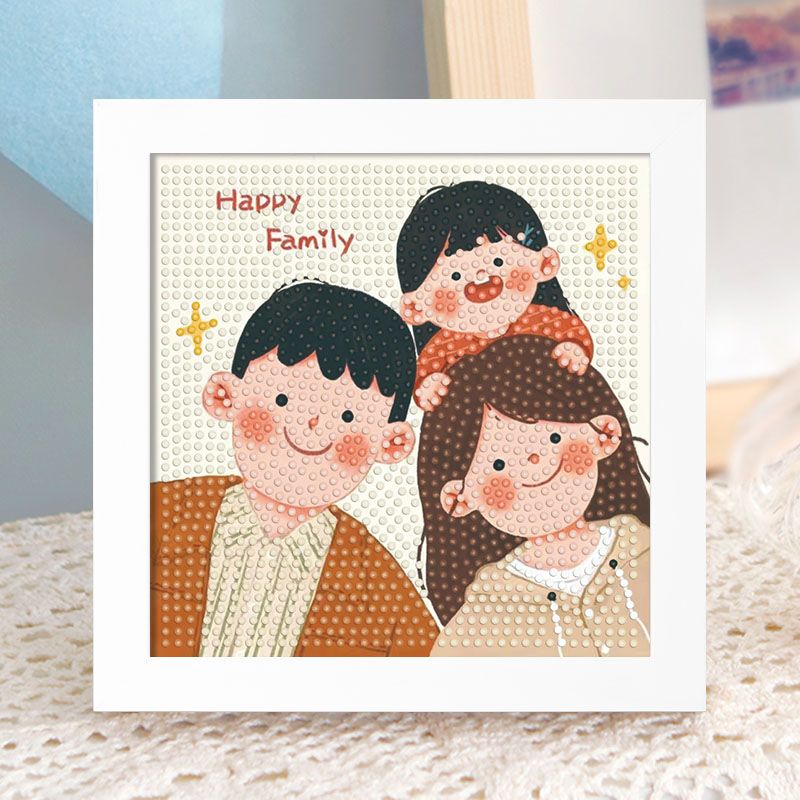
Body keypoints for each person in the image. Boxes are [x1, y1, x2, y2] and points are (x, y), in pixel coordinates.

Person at [151, 280, 439, 657]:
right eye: (283, 399)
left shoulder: (380, 586)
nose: (312, 424)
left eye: (347, 416)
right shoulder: (161, 515)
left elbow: (430, 671)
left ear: (391, 443)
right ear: (225, 396)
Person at [416, 335, 650, 656]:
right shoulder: (483, 617)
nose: (533, 459)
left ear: (604, 436)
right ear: (459, 498)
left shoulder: (649, 553)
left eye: (553, 437)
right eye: (498, 463)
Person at [395, 181, 593, 411]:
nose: (481, 279)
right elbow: (426, 375)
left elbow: (571, 333)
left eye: (499, 262)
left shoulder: (540, 321)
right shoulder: (445, 346)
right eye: (456, 276)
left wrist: (573, 350)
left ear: (544, 264)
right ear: (416, 308)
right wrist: (430, 386)